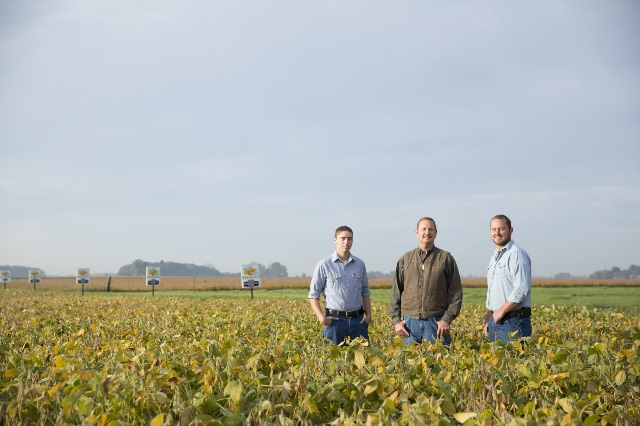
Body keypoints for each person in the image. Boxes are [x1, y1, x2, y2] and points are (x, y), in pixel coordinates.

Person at [389, 217, 463, 345]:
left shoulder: (445, 258)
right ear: (416, 232)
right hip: (409, 325)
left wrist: (446, 319)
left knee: (438, 363)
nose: (427, 232)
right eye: (423, 229)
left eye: (431, 229)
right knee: (409, 363)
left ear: (436, 233)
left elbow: (455, 292)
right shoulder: (405, 259)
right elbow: (396, 292)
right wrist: (396, 321)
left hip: (436, 323)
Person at [308, 226, 372, 345]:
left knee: (362, 361)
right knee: (333, 361)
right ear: (335, 240)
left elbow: (365, 292)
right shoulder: (324, 265)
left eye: (350, 239)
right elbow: (313, 294)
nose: (346, 242)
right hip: (335, 321)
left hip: (358, 320)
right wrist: (321, 317)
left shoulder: (359, 264)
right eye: (343, 238)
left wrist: (368, 316)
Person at [484, 214, 532, 343]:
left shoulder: (516, 254)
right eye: (494, 229)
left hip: (513, 322)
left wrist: (501, 311)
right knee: (496, 362)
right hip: (496, 321)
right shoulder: (495, 257)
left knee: (515, 362)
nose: (497, 233)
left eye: (501, 229)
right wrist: (488, 317)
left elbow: (521, 289)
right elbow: (493, 290)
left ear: (511, 230)